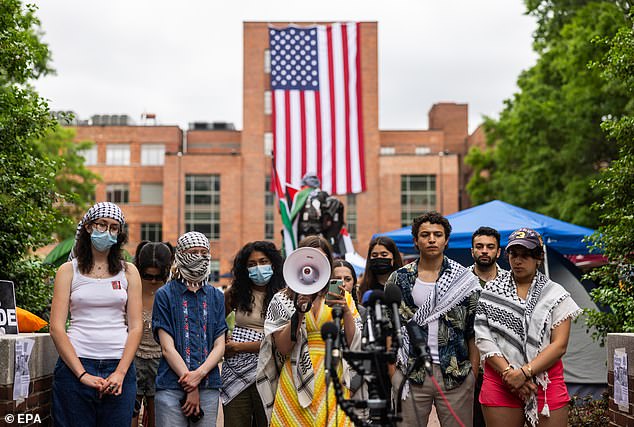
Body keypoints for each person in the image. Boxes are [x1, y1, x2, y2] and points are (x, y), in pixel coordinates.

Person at [475, 228, 581, 427]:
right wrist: (509, 374)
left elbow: (559, 345)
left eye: (525, 255)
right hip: (500, 379)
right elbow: (483, 337)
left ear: (539, 257)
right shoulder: (491, 290)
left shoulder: (555, 294)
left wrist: (523, 373)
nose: (518, 260)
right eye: (514, 254)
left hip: (545, 380)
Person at [50, 202, 143, 427]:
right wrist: (82, 374)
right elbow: (56, 327)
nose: (107, 232)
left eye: (114, 228)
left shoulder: (129, 271)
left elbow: (136, 326)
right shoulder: (68, 270)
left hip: (119, 367)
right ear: (89, 227)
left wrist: (120, 373)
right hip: (75, 366)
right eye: (102, 224)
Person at [385, 211, 480, 426]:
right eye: (425, 234)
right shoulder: (399, 278)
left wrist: (472, 374)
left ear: (446, 240)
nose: (431, 239)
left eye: (437, 234)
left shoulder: (464, 280)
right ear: (415, 241)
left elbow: (474, 330)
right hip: (410, 372)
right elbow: (390, 328)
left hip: (455, 373)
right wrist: (394, 373)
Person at [256, 236, 362, 426]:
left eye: (321, 261)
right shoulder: (282, 299)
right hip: (295, 378)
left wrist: (346, 310)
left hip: (333, 374)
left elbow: (354, 342)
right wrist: (298, 312)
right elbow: (282, 348)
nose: (314, 267)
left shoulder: (341, 296)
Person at [152, 231, 227, 427]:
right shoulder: (164, 295)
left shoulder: (216, 296)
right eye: (194, 252)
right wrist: (190, 385)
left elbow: (220, 345)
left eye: (204, 253)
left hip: (209, 385)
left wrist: (199, 375)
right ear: (181, 255)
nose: (200, 258)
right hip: (170, 385)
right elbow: (167, 347)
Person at [221, 241, 286, 427]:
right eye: (251, 264)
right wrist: (224, 340)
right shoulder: (235, 293)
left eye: (263, 261)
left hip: (271, 369)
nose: (258, 268)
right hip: (235, 372)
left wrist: (240, 346)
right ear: (244, 269)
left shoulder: (285, 295)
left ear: (273, 263)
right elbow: (216, 324)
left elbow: (281, 340)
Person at [132, 241, 174, 427]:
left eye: (160, 276)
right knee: (130, 411)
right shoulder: (130, 285)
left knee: (158, 413)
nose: (154, 281)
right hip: (132, 358)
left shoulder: (173, 290)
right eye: (148, 276)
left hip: (163, 360)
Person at [469, 226, 507, 427]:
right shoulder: (460, 283)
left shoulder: (512, 282)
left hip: (505, 369)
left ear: (498, 252)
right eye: (480, 246)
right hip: (471, 371)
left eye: (490, 247)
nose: (484, 251)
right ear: (472, 251)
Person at [358, 236, 403, 301]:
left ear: (394, 258)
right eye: (374, 255)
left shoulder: (404, 284)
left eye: (384, 255)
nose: (379, 257)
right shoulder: (362, 287)